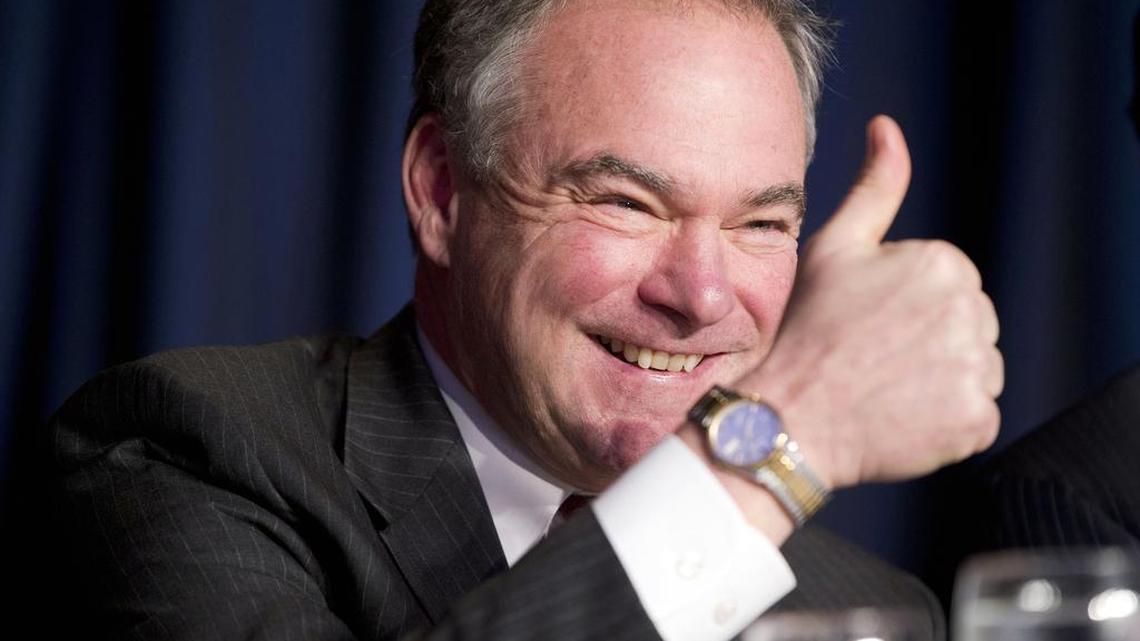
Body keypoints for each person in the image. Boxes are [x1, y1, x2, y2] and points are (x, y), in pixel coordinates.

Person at [33, 0, 1002, 639]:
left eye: (762, 222)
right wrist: (785, 435)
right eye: (625, 201)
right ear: (443, 190)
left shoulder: (861, 607)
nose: (704, 296)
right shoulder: (177, 454)